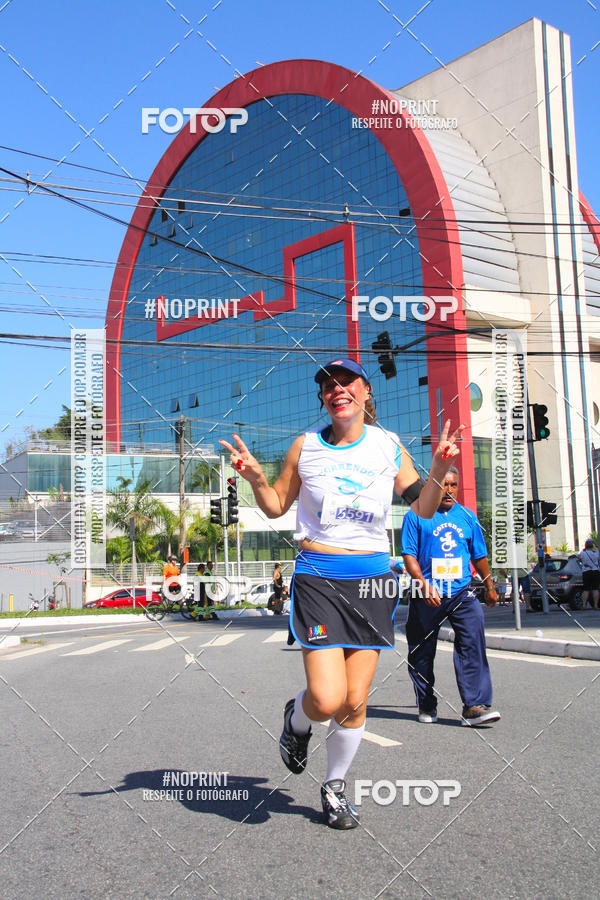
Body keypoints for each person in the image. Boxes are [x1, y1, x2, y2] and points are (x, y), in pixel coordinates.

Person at [221, 357, 462, 829]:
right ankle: (298, 720)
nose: (337, 390)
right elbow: (274, 507)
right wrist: (254, 479)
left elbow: (425, 508)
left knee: (354, 701)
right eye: (329, 385)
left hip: (372, 581)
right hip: (319, 576)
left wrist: (437, 467)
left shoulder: (388, 447)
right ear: (324, 398)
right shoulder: (305, 447)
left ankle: (334, 789)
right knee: (327, 698)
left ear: (366, 392)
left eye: (347, 382)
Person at [402, 466, 500, 727]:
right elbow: (409, 555)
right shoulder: (416, 516)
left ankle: (474, 705)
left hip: (462, 592)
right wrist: (423, 585)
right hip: (428, 594)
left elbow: (478, 555)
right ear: (431, 486)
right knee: (421, 652)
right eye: (443, 484)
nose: (449, 490)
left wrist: (489, 585)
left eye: (454, 485)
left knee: (472, 643)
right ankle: (426, 701)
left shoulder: (467, 517)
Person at [579, 539, 600, 610]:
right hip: (595, 572)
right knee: (595, 589)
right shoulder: (596, 553)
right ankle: (596, 605)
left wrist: (584, 548)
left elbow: (579, 557)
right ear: (592, 546)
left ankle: (584, 605)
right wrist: (595, 544)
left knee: (586, 589)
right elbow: (598, 549)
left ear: (585, 546)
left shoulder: (582, 553)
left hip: (586, 572)